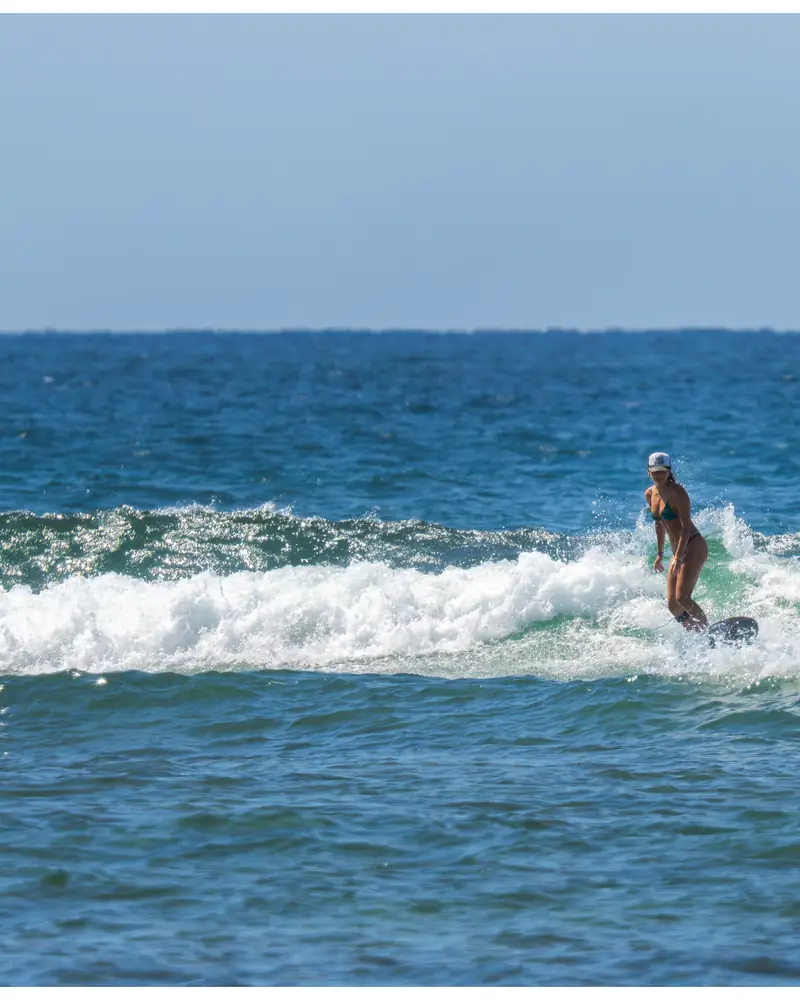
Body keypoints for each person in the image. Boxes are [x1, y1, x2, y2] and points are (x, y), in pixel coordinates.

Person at [645, 452, 708, 632]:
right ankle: (697, 632)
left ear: (669, 472)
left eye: (662, 471)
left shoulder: (678, 492)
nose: (659, 475)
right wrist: (660, 554)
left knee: (683, 598)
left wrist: (679, 557)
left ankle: (707, 630)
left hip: (693, 545)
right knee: (673, 605)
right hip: (677, 551)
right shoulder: (650, 494)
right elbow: (659, 524)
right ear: (649, 472)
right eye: (655, 471)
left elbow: (686, 527)